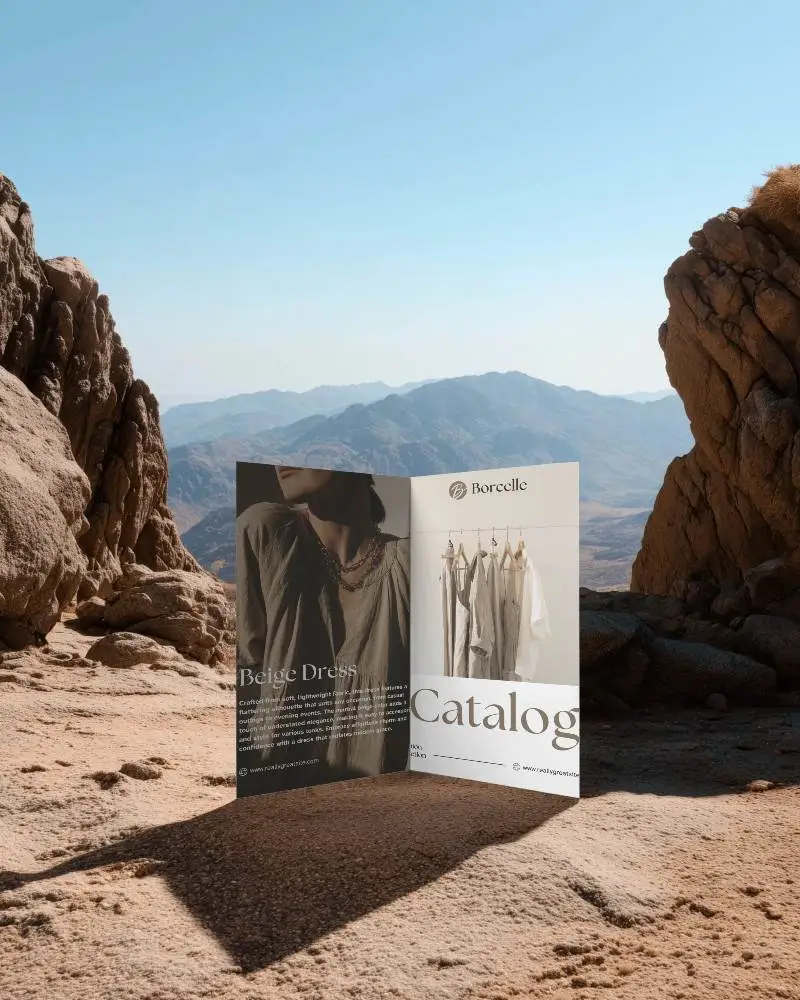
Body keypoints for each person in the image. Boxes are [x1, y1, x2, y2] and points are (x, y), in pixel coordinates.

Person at [236, 466, 410, 790]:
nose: (281, 463)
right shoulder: (266, 531)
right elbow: (247, 658)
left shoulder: (408, 564)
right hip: (275, 784)